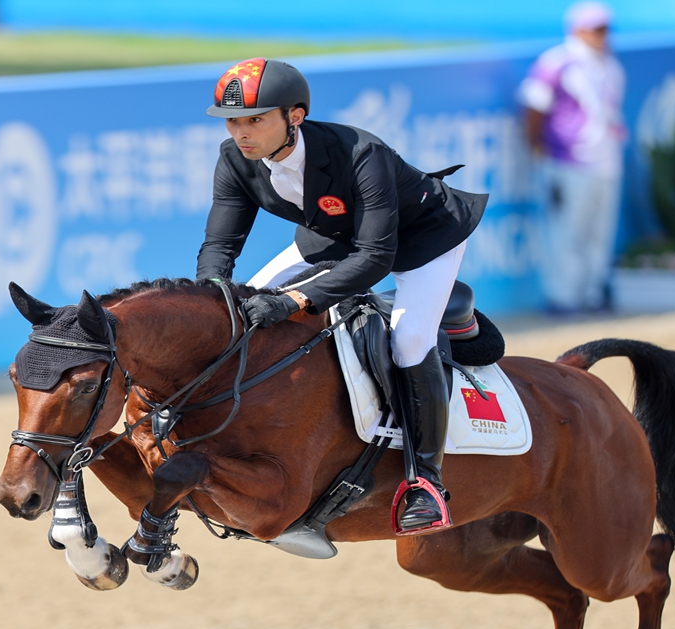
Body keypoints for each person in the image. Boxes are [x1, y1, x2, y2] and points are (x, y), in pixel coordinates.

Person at [195, 57, 487, 535]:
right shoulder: (235, 159)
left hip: (422, 237)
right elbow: (221, 245)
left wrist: (294, 301)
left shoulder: (360, 153)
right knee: (241, 313)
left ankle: (425, 483)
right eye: (232, 121)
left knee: (410, 340)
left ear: (295, 116)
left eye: (255, 119)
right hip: (334, 238)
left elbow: (374, 259)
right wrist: (210, 295)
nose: (241, 132)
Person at [517, 2, 626, 313]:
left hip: (606, 161)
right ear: (577, 30)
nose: (602, 35)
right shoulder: (556, 62)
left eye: (605, 28)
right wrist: (540, 152)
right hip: (568, 161)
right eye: (596, 28)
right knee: (566, 230)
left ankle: (592, 293)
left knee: (599, 232)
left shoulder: (609, 65)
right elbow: (534, 108)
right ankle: (563, 296)